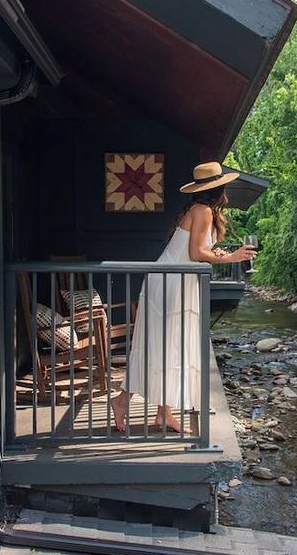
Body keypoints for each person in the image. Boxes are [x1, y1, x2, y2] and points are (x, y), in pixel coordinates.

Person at [110, 162, 257, 433]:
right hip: (171, 284)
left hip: (172, 281)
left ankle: (163, 413)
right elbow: (196, 254)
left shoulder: (198, 210)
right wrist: (233, 256)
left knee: (168, 348)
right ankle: (122, 401)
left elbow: (195, 250)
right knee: (164, 347)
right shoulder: (203, 212)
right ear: (220, 188)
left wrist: (222, 254)